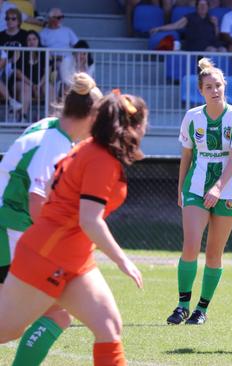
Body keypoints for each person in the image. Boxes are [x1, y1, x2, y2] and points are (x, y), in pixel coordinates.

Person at [0, 89, 148, 366]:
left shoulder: (90, 148)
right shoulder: (100, 158)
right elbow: (89, 219)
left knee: (108, 327)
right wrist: (123, 260)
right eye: (141, 125)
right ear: (131, 126)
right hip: (48, 255)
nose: (144, 130)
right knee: (6, 330)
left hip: (73, 257)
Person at [0, 73, 102, 365]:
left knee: (51, 315)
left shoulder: (47, 128)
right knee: (46, 316)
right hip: (10, 230)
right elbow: (37, 201)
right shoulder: (56, 144)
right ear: (90, 115)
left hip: (10, 230)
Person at [166, 58, 232, 326]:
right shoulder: (192, 117)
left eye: (219, 85)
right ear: (201, 90)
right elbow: (186, 156)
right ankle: (181, 305)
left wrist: (218, 187)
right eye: (209, 86)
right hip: (195, 187)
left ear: (225, 86)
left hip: (227, 189)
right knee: (190, 246)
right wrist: (180, 188)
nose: (215, 90)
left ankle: (201, 309)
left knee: (214, 253)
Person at [149, 0, 224, 52]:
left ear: (208, 7)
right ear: (196, 7)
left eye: (205, 5)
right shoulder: (190, 17)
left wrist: (216, 25)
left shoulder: (211, 19)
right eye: (200, 5)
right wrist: (159, 28)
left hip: (211, 43)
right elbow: (175, 25)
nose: (203, 7)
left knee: (223, 50)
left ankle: (223, 74)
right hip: (196, 44)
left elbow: (216, 36)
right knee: (212, 50)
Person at [11, 30, 48, 120]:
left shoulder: (44, 52)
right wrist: (33, 85)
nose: (32, 42)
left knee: (49, 88)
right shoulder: (21, 52)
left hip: (39, 83)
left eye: (34, 39)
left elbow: (48, 72)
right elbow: (17, 73)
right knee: (26, 88)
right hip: (20, 82)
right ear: (26, 42)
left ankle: (50, 117)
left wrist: (38, 85)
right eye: (29, 40)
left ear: (38, 40)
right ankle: (23, 116)